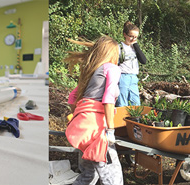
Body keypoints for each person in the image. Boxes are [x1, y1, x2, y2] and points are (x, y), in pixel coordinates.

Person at [64, 36, 123, 185]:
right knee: (113, 178)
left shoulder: (91, 71)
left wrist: (79, 115)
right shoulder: (112, 69)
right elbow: (108, 100)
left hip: (83, 127)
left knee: (88, 175)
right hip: (98, 132)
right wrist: (110, 130)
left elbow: (72, 97)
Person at [115, 21, 147, 107]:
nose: (133, 39)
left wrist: (136, 45)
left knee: (136, 103)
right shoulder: (118, 47)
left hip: (133, 77)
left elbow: (143, 61)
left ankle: (135, 119)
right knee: (122, 102)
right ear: (125, 34)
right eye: (131, 36)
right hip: (122, 76)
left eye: (136, 37)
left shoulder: (135, 47)